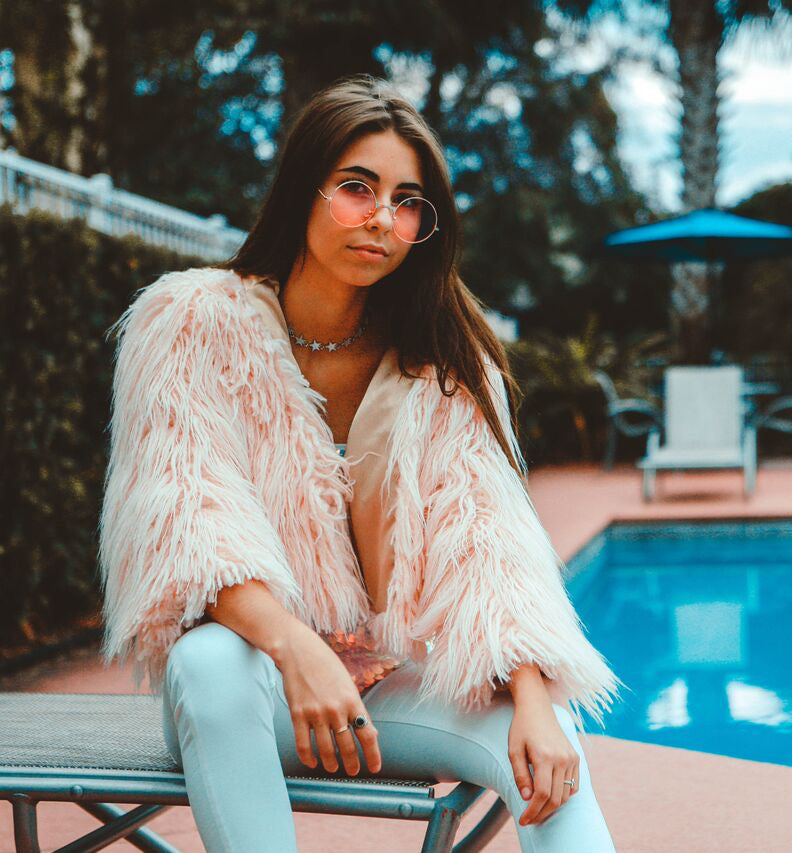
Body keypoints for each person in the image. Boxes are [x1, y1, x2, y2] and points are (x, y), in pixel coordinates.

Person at [97, 74, 620, 852]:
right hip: (255, 687)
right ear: (302, 192)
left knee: (547, 742)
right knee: (209, 660)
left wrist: (538, 701)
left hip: (391, 686)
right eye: (356, 188)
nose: (382, 218)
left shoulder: (442, 360)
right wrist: (298, 649)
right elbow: (189, 520)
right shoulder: (192, 322)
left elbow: (489, 540)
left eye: (408, 202)